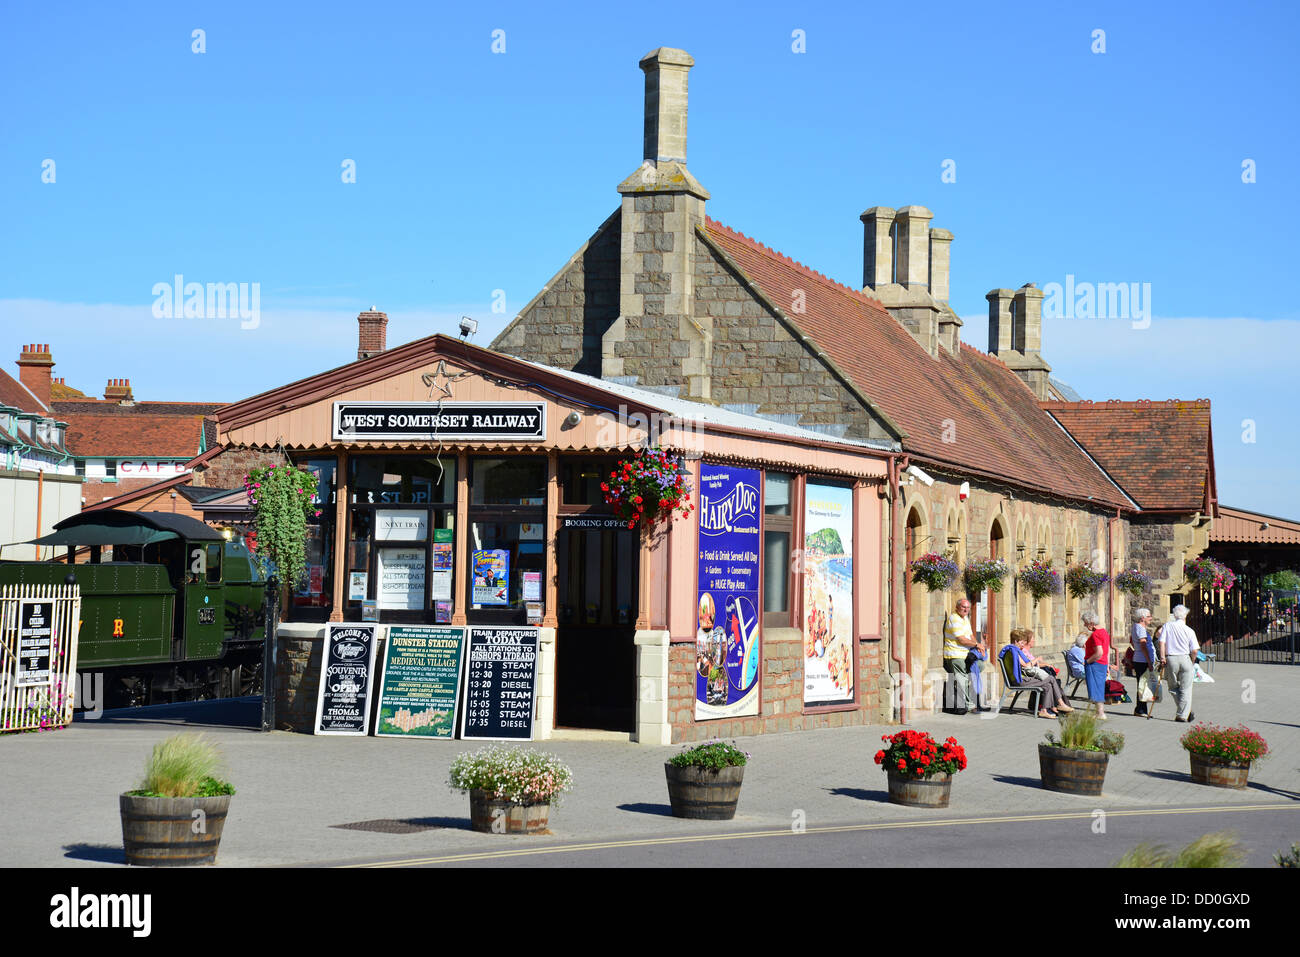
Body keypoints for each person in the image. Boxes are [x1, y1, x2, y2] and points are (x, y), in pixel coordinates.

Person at [1001, 627, 1074, 717]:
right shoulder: (1012, 651)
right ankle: (1060, 704)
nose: (1023, 645)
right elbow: (1026, 665)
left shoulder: (1013, 650)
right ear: (1016, 641)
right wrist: (1036, 660)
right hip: (1020, 680)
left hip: (1022, 679)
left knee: (1047, 685)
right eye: (1022, 642)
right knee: (1050, 678)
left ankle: (1044, 710)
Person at [942, 598, 985, 714]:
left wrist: (978, 648)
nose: (966, 609)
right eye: (963, 607)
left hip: (965, 654)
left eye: (967, 608)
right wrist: (977, 644)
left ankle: (974, 699)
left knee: (980, 666)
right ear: (957, 608)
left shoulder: (965, 618)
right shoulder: (954, 618)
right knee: (962, 678)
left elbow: (970, 635)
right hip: (955, 654)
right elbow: (961, 639)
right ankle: (970, 705)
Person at [1160, 604, 1200, 723]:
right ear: (1185, 616)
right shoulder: (1189, 630)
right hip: (1185, 658)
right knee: (1186, 689)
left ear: (1174, 615)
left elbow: (1162, 642)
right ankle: (1184, 713)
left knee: (1173, 687)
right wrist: (1192, 661)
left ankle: (1183, 711)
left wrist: (1162, 657)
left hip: (1171, 659)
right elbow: (1194, 650)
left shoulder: (1167, 626)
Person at [1130, 607, 1160, 718]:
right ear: (1142, 618)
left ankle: (1141, 708)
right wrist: (1149, 661)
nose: (1150, 618)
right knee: (1142, 685)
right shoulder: (1140, 629)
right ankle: (1140, 709)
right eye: (1148, 616)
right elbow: (1143, 646)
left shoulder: (1138, 627)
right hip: (1142, 660)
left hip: (1140, 659)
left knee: (1143, 685)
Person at [1081, 610, 1110, 720]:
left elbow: (1099, 652)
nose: (1084, 625)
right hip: (1102, 664)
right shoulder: (1104, 632)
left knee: (1095, 688)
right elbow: (1106, 652)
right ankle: (1099, 712)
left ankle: (1100, 713)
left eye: (1085, 623)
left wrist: (1088, 662)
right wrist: (1107, 665)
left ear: (1091, 623)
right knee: (1099, 687)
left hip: (1095, 664)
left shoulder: (1096, 634)